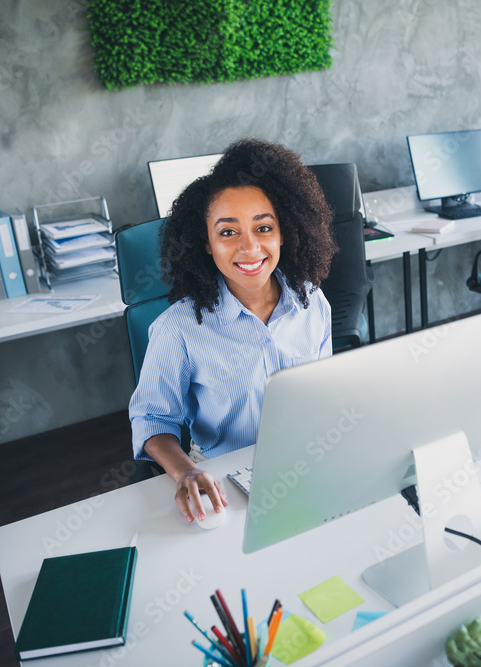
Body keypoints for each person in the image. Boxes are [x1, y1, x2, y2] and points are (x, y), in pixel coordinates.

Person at [129, 138, 338, 524]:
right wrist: (185, 472)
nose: (249, 247)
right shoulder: (177, 330)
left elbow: (321, 392)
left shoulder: (313, 303)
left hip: (306, 463)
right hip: (224, 480)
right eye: (228, 233)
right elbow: (152, 421)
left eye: (264, 227)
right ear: (205, 243)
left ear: (284, 232)